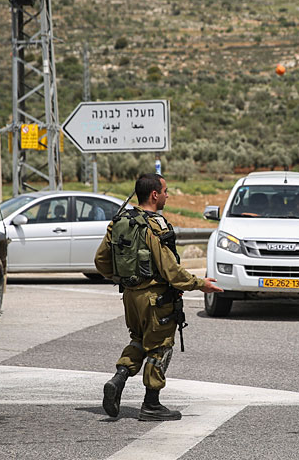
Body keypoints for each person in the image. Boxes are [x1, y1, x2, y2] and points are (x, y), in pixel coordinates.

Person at [94, 173, 223, 422]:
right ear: (154, 194)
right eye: (165, 191)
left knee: (139, 340)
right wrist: (200, 284)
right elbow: (170, 270)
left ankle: (119, 378)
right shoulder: (155, 226)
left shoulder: (120, 221)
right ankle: (151, 404)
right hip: (156, 300)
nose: (167, 195)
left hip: (131, 298)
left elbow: (100, 261)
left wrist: (123, 279)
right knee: (160, 347)